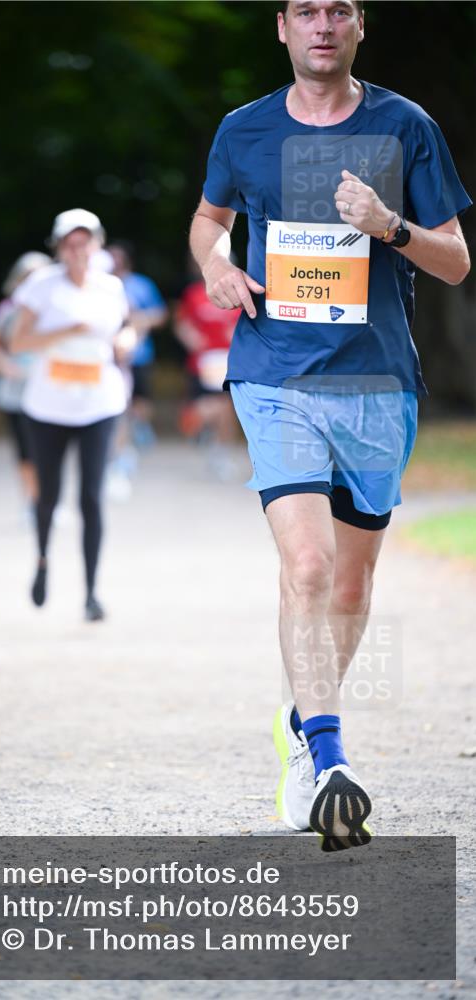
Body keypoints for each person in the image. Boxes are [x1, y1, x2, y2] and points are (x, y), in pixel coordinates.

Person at [190, 0, 471, 850]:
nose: (322, 23)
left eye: (338, 10)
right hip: (273, 371)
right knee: (305, 564)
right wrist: (216, 267)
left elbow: (455, 261)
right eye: (305, 10)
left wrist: (388, 226)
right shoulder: (242, 129)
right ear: (281, 27)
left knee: (349, 587)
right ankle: (327, 756)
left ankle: (297, 725)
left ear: (358, 27)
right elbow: (211, 220)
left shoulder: (404, 125)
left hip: (378, 382)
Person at [10, 209, 135, 622]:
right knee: (49, 495)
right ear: (59, 247)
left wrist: (125, 341)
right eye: (70, 243)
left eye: (85, 242)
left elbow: (125, 327)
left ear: (97, 244)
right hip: (47, 406)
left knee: (92, 498)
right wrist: (66, 331)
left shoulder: (110, 286)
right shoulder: (41, 286)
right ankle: (43, 559)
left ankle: (92, 592)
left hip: (99, 402)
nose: (78, 250)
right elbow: (18, 340)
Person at [0, 252, 51, 511]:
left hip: (50, 388)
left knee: (51, 448)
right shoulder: (10, 310)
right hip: (17, 390)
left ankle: (48, 498)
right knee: (26, 450)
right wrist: (4, 366)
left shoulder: (56, 308)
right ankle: (31, 500)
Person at [174, 261, 240, 481]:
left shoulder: (237, 292)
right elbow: (181, 322)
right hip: (202, 361)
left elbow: (244, 322)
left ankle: (221, 451)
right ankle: (202, 432)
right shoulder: (193, 294)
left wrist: (237, 338)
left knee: (226, 407)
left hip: (227, 359)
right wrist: (190, 337)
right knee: (205, 407)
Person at [108, 241, 168, 448]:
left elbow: (161, 315)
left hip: (140, 352)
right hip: (108, 354)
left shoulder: (141, 284)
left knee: (141, 398)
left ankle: (139, 427)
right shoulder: (99, 284)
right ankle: (120, 440)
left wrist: (140, 319)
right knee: (118, 398)